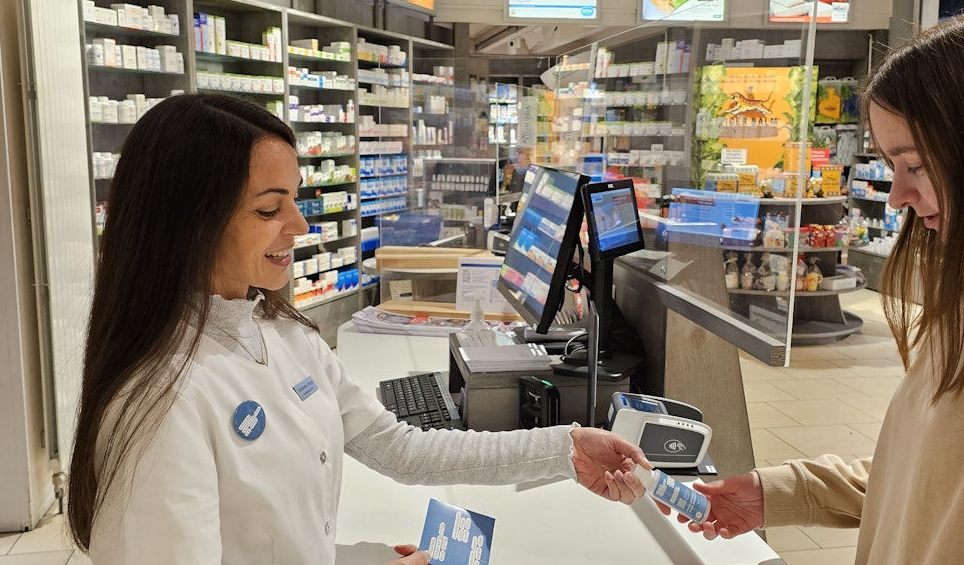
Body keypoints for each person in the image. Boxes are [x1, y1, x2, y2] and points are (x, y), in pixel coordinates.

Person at [66, 93, 651, 564]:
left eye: (295, 200)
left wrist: (564, 449)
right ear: (187, 222)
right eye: (269, 209)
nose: (299, 225)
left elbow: (401, 449)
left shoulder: (282, 333)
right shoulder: (159, 403)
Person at [670, 5, 964, 563]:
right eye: (891, 165)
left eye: (916, 164)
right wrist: (779, 493)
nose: (897, 197)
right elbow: (934, 477)